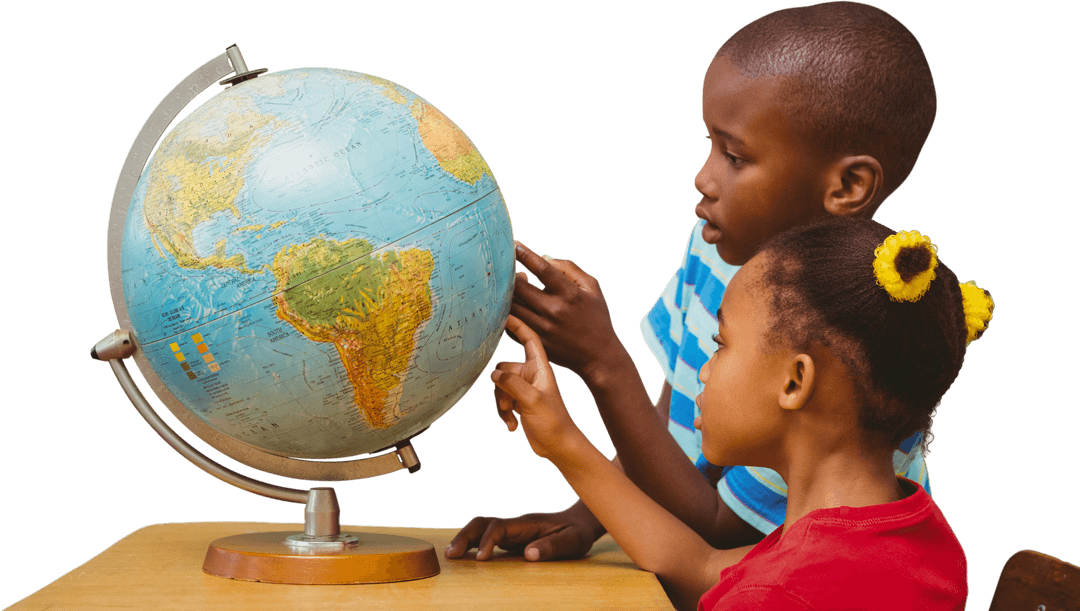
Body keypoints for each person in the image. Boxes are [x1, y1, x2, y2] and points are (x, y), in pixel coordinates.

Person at [445, 1, 941, 562]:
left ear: (847, 185)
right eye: (710, 145)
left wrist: (602, 361)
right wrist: (586, 518)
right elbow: (675, 425)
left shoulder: (854, 332)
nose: (703, 178)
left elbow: (721, 527)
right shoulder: (714, 255)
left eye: (734, 156)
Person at [491, 217, 993, 610]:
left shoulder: (783, 596)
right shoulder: (904, 529)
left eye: (721, 344)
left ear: (795, 382)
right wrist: (562, 441)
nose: (703, 373)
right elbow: (701, 566)